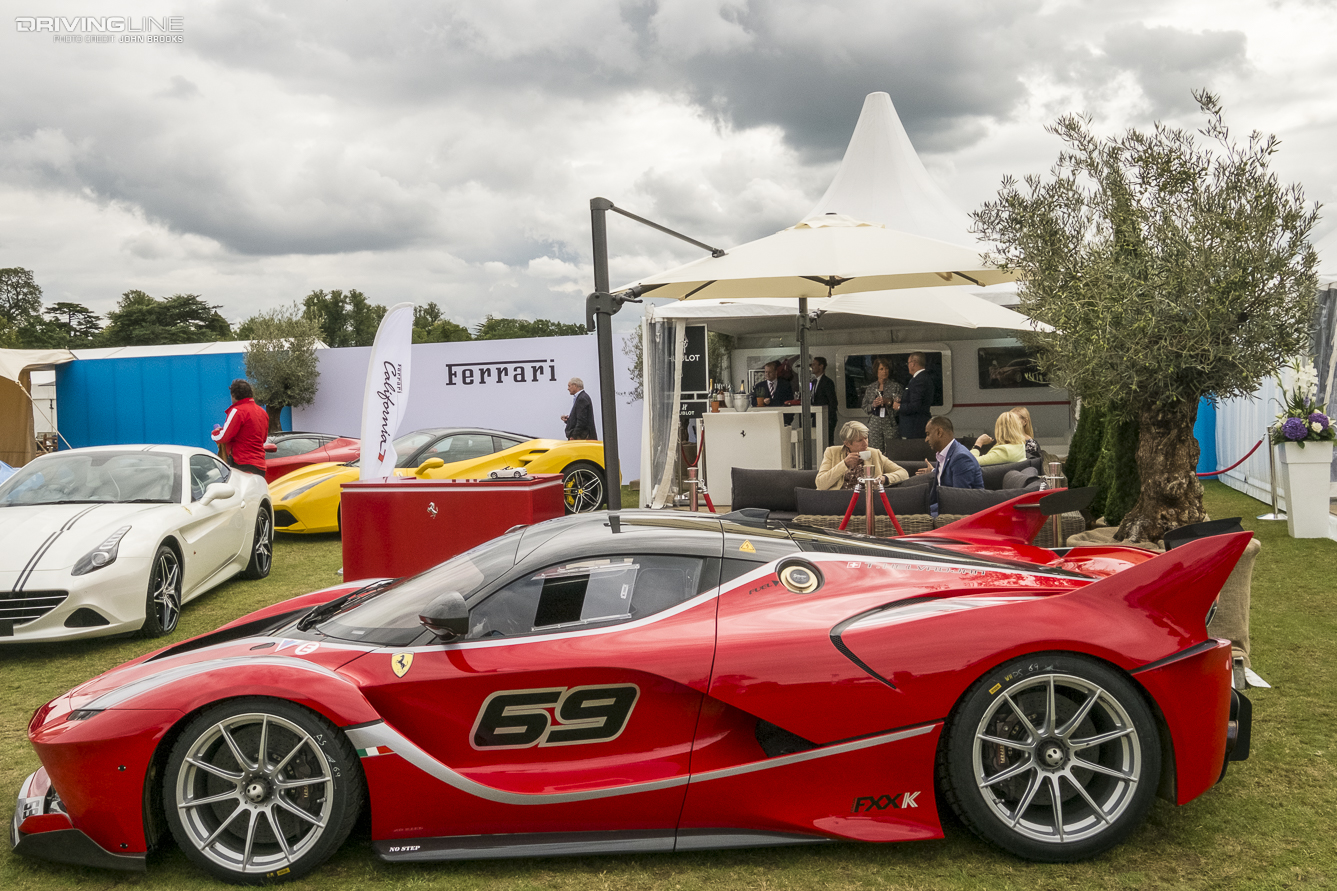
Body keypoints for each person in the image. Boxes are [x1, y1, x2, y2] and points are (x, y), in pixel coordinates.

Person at [817, 420, 909, 491]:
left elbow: (903, 473)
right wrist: (844, 464)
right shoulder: (832, 452)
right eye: (860, 440)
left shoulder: (874, 453)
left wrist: (884, 479)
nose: (865, 443)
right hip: (839, 498)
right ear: (847, 443)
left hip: (868, 498)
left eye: (866, 438)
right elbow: (821, 484)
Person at [211, 379, 270, 477]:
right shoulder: (263, 412)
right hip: (260, 466)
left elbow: (223, 437)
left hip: (242, 464)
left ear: (234, 395)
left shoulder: (237, 411)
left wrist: (214, 433)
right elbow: (263, 439)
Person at [916, 415, 984, 490]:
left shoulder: (961, 458)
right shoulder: (945, 453)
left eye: (928, 434)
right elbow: (949, 474)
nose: (926, 439)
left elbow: (960, 497)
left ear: (939, 432)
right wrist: (933, 471)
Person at [860, 358, 902, 451]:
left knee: (891, 450)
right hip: (875, 422)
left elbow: (900, 405)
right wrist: (873, 405)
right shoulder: (871, 388)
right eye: (881, 369)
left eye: (886, 368)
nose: (885, 371)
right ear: (876, 371)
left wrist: (889, 401)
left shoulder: (895, 387)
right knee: (875, 451)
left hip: (889, 422)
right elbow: (864, 406)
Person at [898, 351, 933, 439]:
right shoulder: (922, 377)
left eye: (908, 363)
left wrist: (899, 406)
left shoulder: (919, 380)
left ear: (913, 363)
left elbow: (915, 406)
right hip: (916, 426)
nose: (908, 365)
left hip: (914, 427)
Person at [809, 356, 839, 445]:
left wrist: (829, 418)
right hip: (816, 417)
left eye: (814, 364)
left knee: (828, 442)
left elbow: (833, 402)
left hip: (826, 418)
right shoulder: (814, 382)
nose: (812, 367)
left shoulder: (827, 382)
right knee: (819, 443)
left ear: (821, 366)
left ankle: (830, 458)